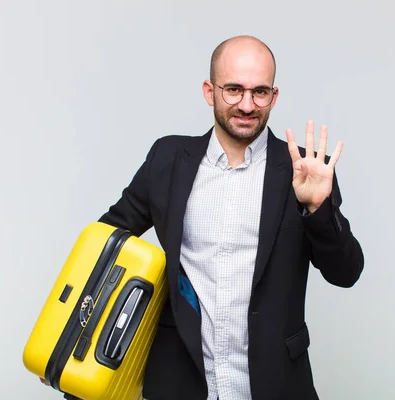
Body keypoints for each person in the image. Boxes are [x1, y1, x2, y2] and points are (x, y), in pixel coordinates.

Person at [97, 35, 365, 400]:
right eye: (233, 90)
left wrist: (317, 208)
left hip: (276, 383)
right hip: (180, 382)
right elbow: (103, 245)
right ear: (210, 91)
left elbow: (345, 273)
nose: (246, 104)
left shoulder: (303, 168)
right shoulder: (168, 159)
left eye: (260, 92)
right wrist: (66, 347)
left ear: (274, 96)